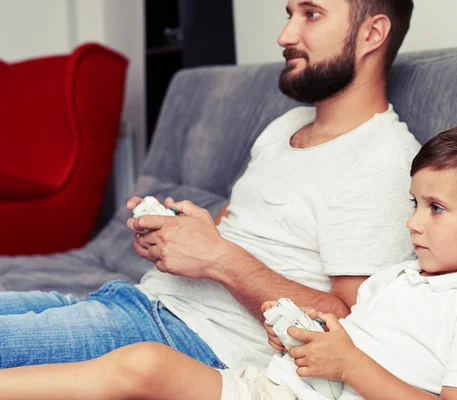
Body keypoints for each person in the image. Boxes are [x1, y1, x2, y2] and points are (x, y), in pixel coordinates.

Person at [0, 0, 419, 370]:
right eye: (289, 14)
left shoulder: (383, 160)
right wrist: (176, 237)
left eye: (310, 14)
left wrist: (219, 257)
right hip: (137, 302)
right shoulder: (285, 127)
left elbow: (349, 326)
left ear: (372, 33)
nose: (285, 35)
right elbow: (227, 237)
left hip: (197, 343)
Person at [0, 117, 457, 400]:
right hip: (276, 384)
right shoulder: (402, 277)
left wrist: (348, 364)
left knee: (141, 363)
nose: (412, 223)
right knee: (143, 364)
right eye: (413, 204)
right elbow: (347, 332)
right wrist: (304, 335)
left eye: (434, 209)